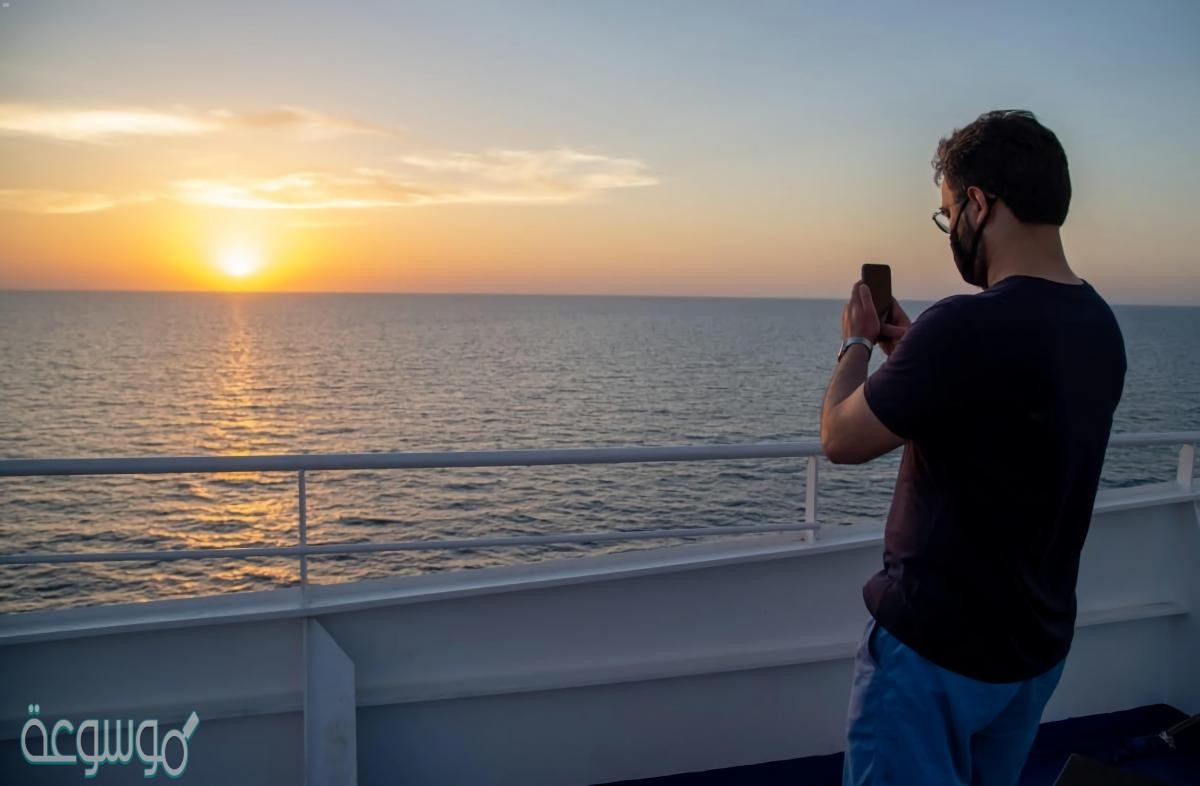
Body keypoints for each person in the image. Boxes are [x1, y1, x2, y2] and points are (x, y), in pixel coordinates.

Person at [820, 110, 1128, 785]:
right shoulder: (1099, 326)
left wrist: (858, 344)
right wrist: (915, 361)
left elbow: (840, 438)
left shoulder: (963, 325)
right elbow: (1005, 415)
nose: (951, 231)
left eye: (948, 213)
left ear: (979, 205)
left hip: (934, 653)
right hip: (1030, 654)